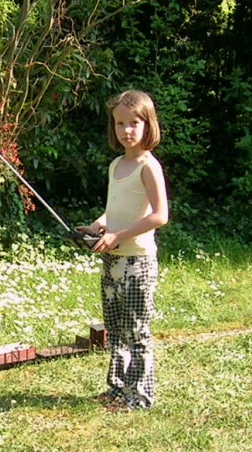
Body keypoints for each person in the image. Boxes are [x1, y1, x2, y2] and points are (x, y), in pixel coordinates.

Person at [78, 90, 169, 412]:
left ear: (148, 125)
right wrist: (98, 227)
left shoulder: (148, 166)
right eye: (119, 123)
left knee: (137, 331)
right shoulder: (116, 164)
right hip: (112, 259)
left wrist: (119, 236)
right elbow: (113, 210)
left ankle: (140, 396)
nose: (126, 130)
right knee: (115, 330)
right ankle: (117, 390)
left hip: (137, 262)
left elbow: (160, 215)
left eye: (134, 123)